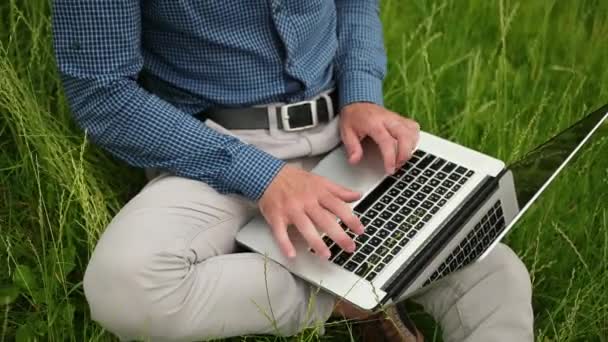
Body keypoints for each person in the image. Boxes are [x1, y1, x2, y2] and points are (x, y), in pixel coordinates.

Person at [52, 1, 534, 341]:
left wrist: (361, 95)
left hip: (341, 139)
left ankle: (367, 272)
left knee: (500, 276)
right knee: (125, 286)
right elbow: (103, 92)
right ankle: (349, 298)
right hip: (209, 149)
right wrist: (264, 177)